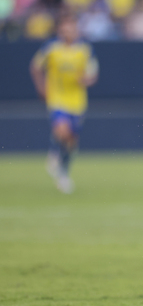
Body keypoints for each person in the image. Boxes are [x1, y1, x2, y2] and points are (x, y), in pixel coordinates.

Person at [30, 16, 99, 194]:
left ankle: (63, 173)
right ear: (61, 31)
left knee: (71, 140)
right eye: (65, 30)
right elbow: (36, 66)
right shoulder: (51, 49)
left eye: (72, 29)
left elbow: (93, 73)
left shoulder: (84, 50)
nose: (68, 33)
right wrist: (41, 87)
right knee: (62, 129)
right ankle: (53, 154)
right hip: (57, 98)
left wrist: (86, 80)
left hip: (77, 101)